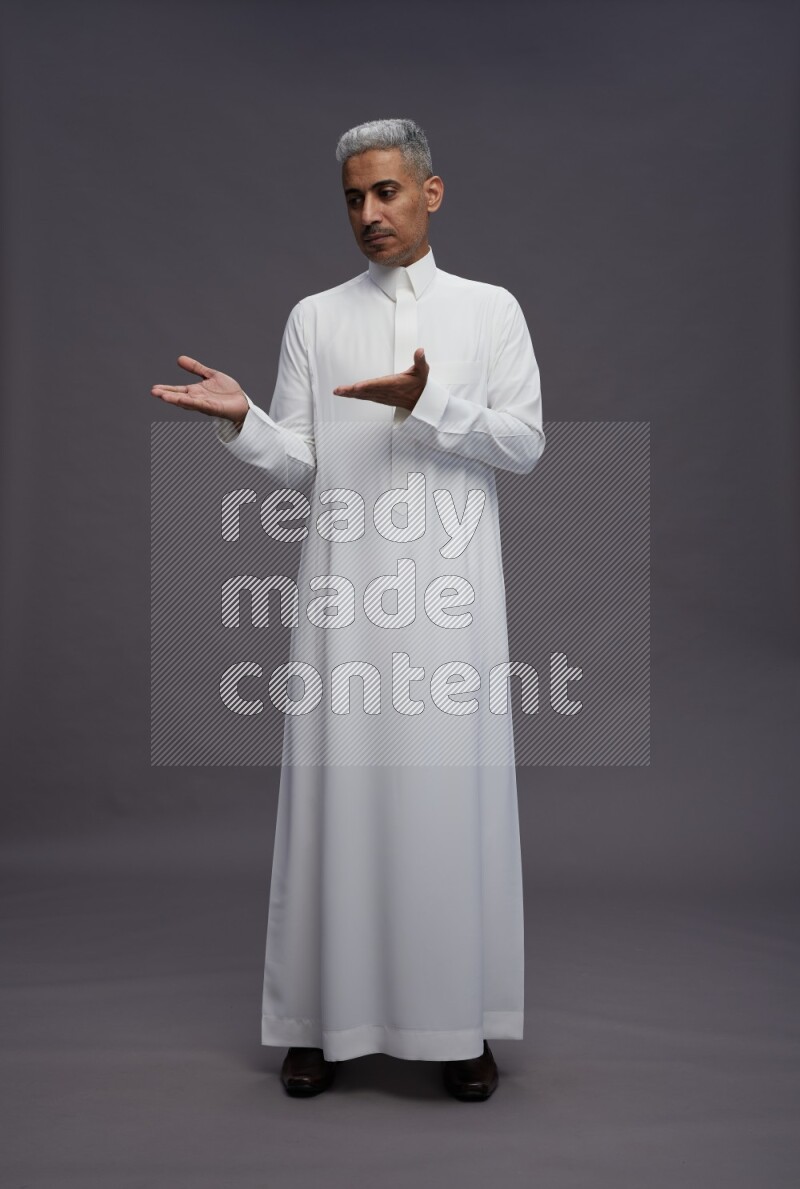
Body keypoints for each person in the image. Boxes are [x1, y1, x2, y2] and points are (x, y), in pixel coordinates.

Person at [151, 118, 545, 1101]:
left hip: (449, 611)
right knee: (338, 798)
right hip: (343, 600)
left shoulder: (488, 311)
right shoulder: (313, 317)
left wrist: (430, 400)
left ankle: (458, 1028)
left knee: (446, 804)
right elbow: (302, 461)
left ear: (431, 192)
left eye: (385, 193)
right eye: (352, 199)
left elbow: (525, 444)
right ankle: (318, 1022)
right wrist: (247, 421)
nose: (368, 214)